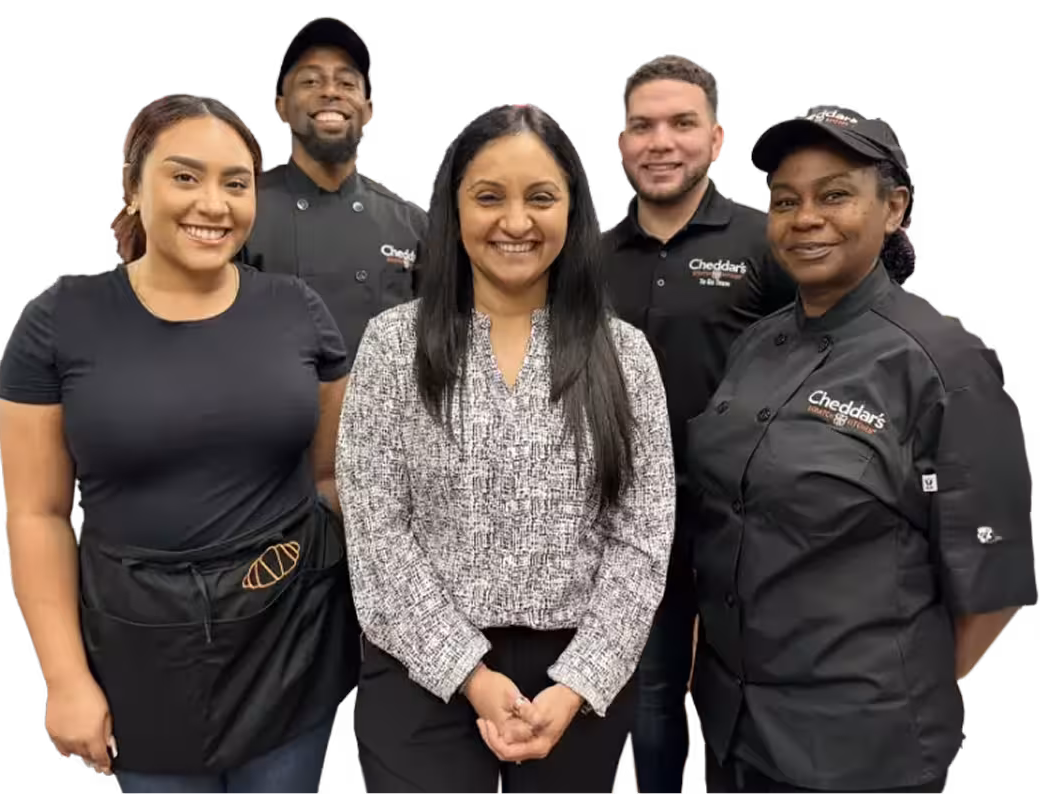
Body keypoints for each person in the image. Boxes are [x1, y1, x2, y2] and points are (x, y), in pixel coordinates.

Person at [0, 93, 360, 793]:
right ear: (133, 186)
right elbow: (37, 515)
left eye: (236, 182)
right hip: (139, 648)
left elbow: (331, 481)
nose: (214, 205)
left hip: (289, 635)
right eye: (185, 177)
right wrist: (65, 679)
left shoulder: (297, 311)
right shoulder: (57, 321)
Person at [685, 104, 1037, 793]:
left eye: (835, 195)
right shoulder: (757, 342)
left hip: (859, 754)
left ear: (894, 207)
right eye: (785, 201)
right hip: (734, 730)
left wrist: (884, 693)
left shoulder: (943, 363)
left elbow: (994, 581)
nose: (805, 218)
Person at [335, 102, 676, 794]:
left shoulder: (625, 355)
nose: (515, 223)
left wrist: (578, 683)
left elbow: (642, 537)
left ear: (573, 213)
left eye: (541, 199)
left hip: (576, 674)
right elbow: (376, 530)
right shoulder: (393, 345)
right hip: (420, 667)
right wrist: (469, 673)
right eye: (488, 197)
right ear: (453, 209)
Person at [601, 55, 796, 794]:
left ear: (714, 140)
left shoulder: (765, 239)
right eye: (643, 125)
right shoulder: (588, 255)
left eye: (682, 124)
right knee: (649, 697)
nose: (661, 141)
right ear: (620, 143)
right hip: (628, 522)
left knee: (747, 685)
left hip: (744, 519)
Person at [238, 16, 429, 355]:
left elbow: (432, 345)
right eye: (310, 81)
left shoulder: (411, 223)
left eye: (347, 83)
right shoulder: (241, 207)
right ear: (280, 106)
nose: (329, 91)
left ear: (368, 110)